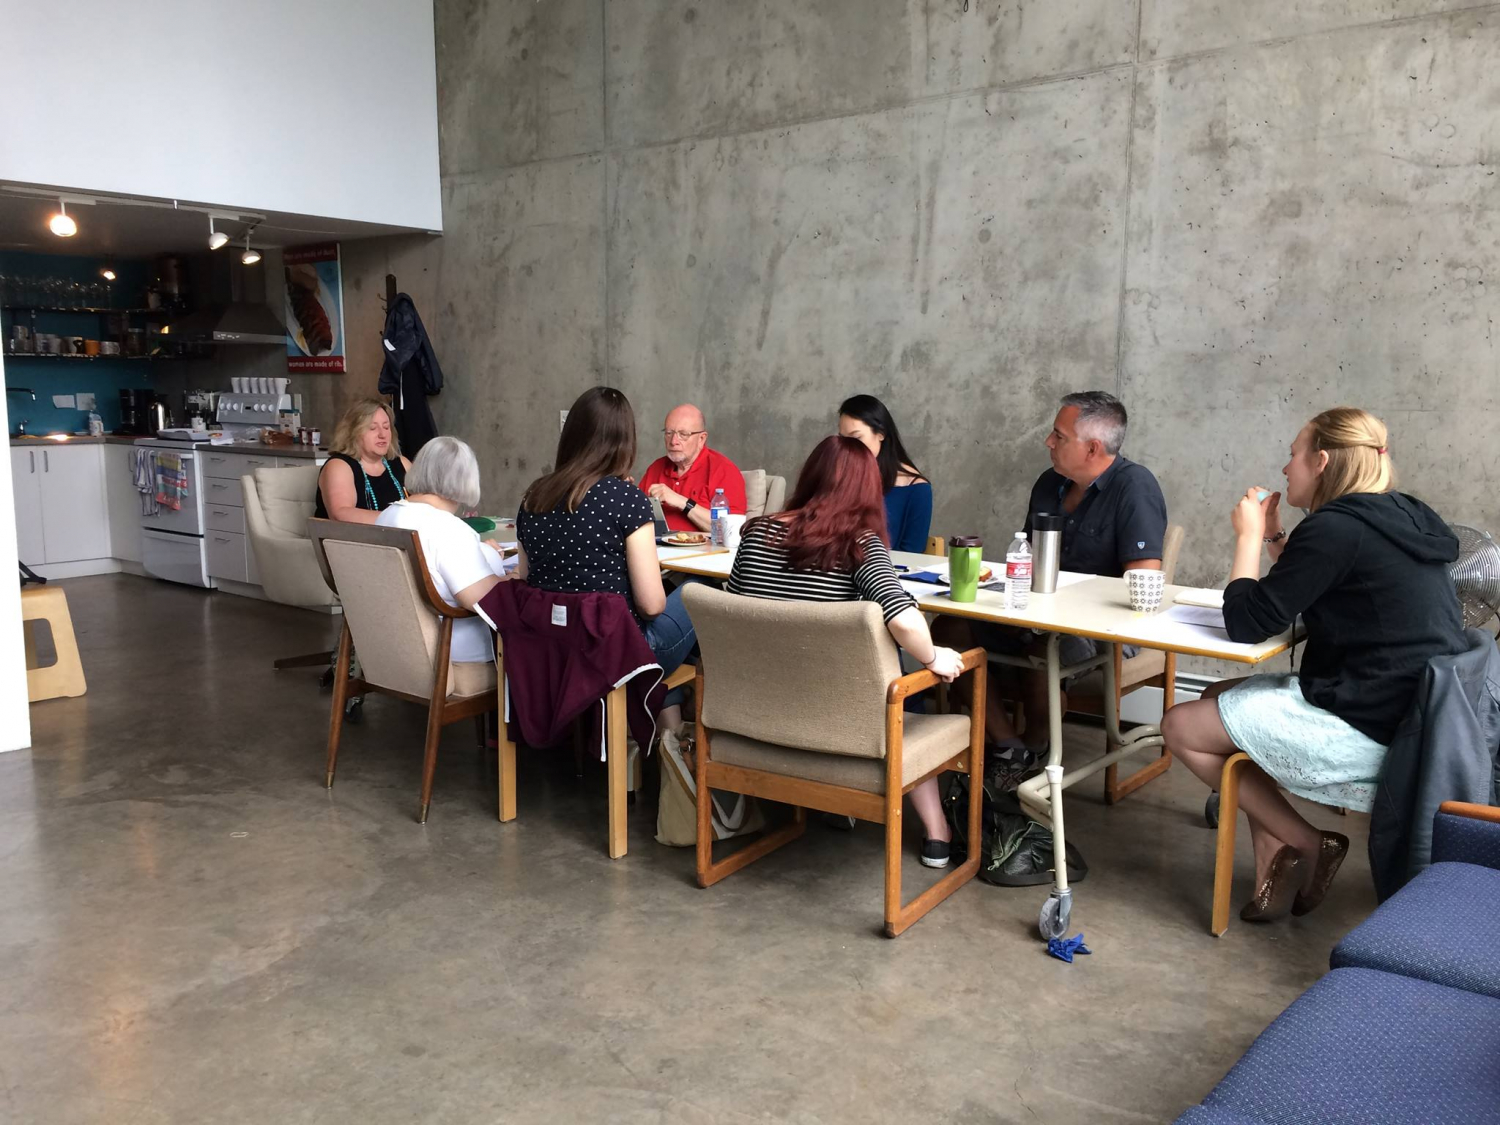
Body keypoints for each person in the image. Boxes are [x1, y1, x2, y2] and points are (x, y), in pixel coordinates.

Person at [1160, 407, 1465, 921]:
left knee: (1180, 726)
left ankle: (1309, 842)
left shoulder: (1337, 527)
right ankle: (1271, 860)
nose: (1285, 468)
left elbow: (1247, 623)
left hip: (1373, 723)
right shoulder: (1398, 513)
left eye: (1293, 454)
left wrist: (1248, 537)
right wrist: (1277, 535)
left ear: (1321, 461)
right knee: (1216, 699)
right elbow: (1314, 579)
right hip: (1414, 708)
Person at [726, 435, 966, 868]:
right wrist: (934, 658)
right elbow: (904, 621)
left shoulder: (756, 534)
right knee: (907, 691)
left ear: (810, 476)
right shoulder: (859, 545)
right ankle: (937, 834)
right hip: (838, 724)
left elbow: (733, 613)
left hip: (756, 715)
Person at [936, 391, 1168, 763]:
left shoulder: (1134, 487)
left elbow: (1141, 584)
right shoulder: (1049, 483)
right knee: (949, 629)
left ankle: (1036, 746)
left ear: (1092, 448)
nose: (1048, 441)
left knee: (1044, 650)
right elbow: (1026, 555)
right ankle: (1010, 748)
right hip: (1033, 611)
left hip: (1099, 628)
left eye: (1059, 436)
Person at [517, 387, 696, 733]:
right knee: (699, 589)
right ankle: (673, 731)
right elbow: (651, 606)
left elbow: (527, 579)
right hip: (617, 654)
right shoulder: (627, 499)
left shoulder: (533, 496)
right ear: (624, 441)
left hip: (549, 650)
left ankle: (664, 721)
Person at [373, 437, 508, 664]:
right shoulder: (448, 529)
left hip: (395, 646)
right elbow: (484, 600)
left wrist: (482, 552)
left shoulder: (387, 516)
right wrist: (514, 578)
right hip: (447, 650)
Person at [838, 394, 932, 553]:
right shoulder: (838, 475)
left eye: (856, 438)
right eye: (843, 440)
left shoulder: (916, 488)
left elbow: (912, 552)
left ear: (881, 433)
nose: (849, 449)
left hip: (887, 567)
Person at [638, 403, 746, 534]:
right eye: (669, 433)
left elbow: (731, 531)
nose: (673, 441)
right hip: (654, 545)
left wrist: (682, 502)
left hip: (704, 547)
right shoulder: (655, 468)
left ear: (701, 439)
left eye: (683, 434)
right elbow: (635, 515)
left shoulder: (724, 470)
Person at [315, 399, 412, 524]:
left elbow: (425, 499)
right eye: (372, 428)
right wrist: (401, 519)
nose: (382, 434)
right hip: (351, 536)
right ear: (353, 432)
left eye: (386, 427)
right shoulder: (339, 466)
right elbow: (340, 514)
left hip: (399, 534)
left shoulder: (402, 463)